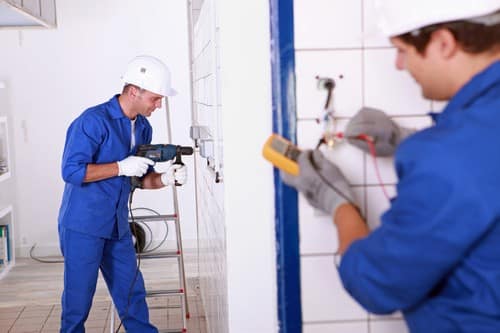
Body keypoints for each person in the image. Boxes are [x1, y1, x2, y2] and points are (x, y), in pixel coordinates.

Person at [283, 1, 500, 332]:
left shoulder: (445, 155)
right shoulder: (462, 144)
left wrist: (337, 202)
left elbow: (375, 284)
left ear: (444, 42)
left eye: (401, 51)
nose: (399, 65)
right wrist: (404, 139)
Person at [58, 55, 187, 332]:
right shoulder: (92, 121)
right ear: (133, 91)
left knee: (132, 294)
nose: (158, 104)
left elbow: (138, 179)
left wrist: (166, 178)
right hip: (84, 225)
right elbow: (71, 171)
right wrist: (119, 167)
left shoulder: (143, 127)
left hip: (116, 226)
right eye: (155, 98)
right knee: (78, 301)